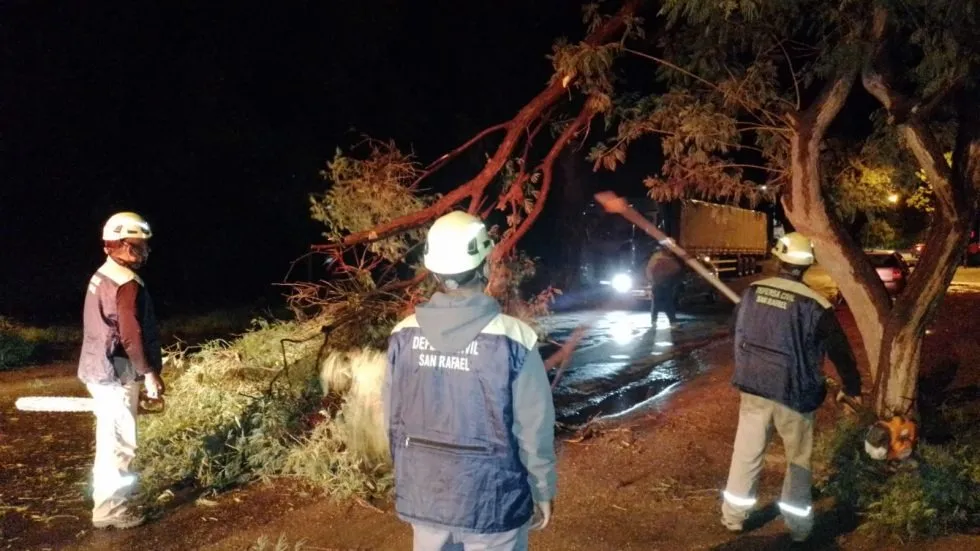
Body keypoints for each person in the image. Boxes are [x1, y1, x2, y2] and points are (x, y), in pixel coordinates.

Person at [383, 211, 557, 551]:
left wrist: (411, 477)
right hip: (494, 502)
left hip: (426, 496)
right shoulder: (515, 339)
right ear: (485, 266)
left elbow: (392, 420)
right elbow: (533, 428)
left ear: (434, 271)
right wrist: (542, 488)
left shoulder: (402, 336)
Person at [720, 232, 862, 543]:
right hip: (795, 394)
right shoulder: (817, 305)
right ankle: (798, 528)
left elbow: (733, 329)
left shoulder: (752, 293)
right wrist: (852, 386)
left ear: (778, 259)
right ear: (807, 265)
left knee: (746, 453)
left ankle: (733, 517)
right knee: (798, 459)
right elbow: (840, 351)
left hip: (754, 387)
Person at [77, 212, 165, 529]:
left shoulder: (103, 274)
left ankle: (109, 503)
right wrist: (149, 373)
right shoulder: (126, 284)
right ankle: (111, 510)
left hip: (100, 368)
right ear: (124, 245)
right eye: (141, 245)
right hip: (116, 373)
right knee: (119, 445)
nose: (146, 251)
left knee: (110, 441)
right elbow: (130, 335)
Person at [645, 247, 683, 326]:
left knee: (661, 302)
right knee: (664, 302)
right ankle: (670, 321)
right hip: (661, 283)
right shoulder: (660, 257)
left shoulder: (661, 258)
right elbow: (677, 268)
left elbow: (649, 269)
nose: (670, 251)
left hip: (662, 283)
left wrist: (652, 280)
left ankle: (659, 320)